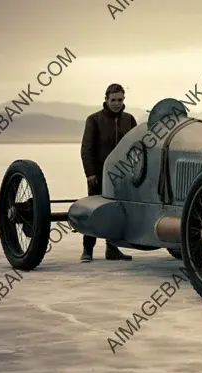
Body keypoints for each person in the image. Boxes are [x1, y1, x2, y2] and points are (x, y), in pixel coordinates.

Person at [79, 83, 137, 262]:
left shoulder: (129, 120)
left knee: (118, 212)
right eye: (113, 100)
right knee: (94, 212)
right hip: (99, 175)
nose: (117, 103)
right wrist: (90, 173)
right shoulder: (94, 120)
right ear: (106, 100)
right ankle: (87, 250)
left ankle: (112, 249)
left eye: (120, 100)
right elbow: (86, 149)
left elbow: (137, 148)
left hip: (122, 175)